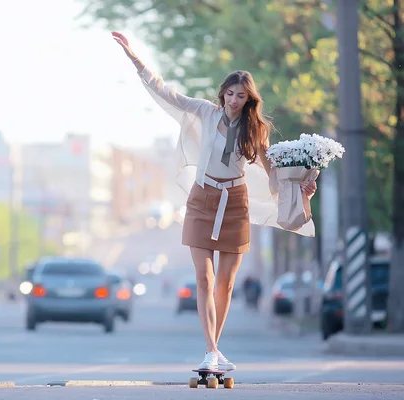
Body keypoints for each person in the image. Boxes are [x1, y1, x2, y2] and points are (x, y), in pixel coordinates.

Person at [111, 31, 317, 372]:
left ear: (249, 100)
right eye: (230, 94)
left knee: (226, 282)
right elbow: (165, 92)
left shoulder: (256, 130)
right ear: (222, 93)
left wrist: (300, 190)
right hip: (201, 199)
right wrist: (136, 58)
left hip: (235, 202)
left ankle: (215, 350)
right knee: (204, 278)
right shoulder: (204, 112)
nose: (234, 100)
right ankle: (210, 351)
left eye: (241, 96)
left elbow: (273, 176)